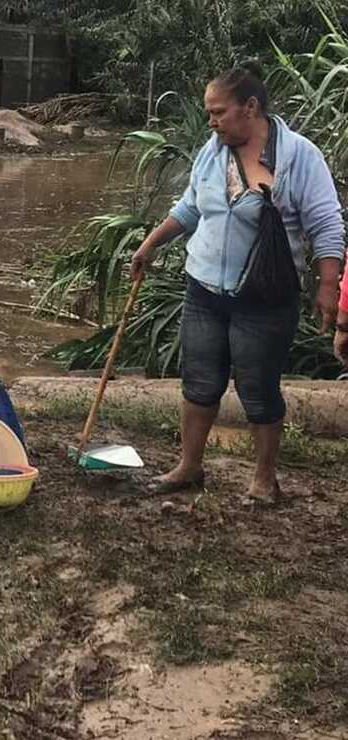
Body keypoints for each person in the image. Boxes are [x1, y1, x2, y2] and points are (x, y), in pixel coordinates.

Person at [130, 63, 345, 499]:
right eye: (208, 113)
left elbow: (326, 224)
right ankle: (189, 467)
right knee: (199, 381)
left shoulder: (299, 157)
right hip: (204, 289)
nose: (211, 121)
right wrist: (149, 245)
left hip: (265, 297)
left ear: (250, 107)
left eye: (218, 112)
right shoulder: (212, 152)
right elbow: (190, 207)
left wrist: (328, 286)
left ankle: (264, 479)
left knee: (258, 388)